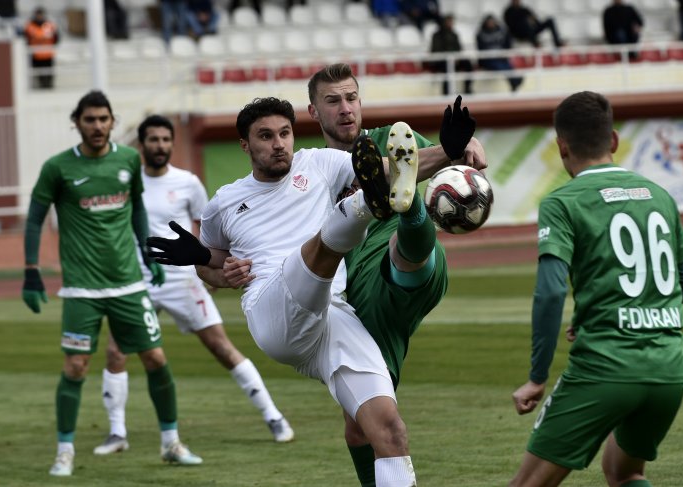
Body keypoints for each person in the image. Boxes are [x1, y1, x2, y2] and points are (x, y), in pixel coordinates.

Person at [147, 96, 475, 486]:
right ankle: (370, 206)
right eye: (265, 136)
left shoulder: (319, 163)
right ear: (245, 145)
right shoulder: (225, 202)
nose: (278, 143)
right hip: (272, 309)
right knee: (323, 244)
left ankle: (369, 204)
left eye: (284, 133)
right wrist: (210, 265)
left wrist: (451, 151)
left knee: (388, 430)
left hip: (332, 316)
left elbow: (395, 169)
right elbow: (213, 266)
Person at [306, 62, 485, 486]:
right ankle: (397, 195)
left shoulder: (392, 138)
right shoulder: (310, 170)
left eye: (351, 98)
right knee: (361, 424)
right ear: (314, 112)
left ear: (361, 101)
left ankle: (407, 208)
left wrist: (465, 145)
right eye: (332, 101)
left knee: (403, 250)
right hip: (362, 300)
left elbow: (464, 155)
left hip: (404, 265)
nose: (345, 108)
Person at [508, 90, 683, 487]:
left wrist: (537, 377)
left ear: (561, 147)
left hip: (605, 367)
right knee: (624, 472)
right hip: (668, 370)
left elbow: (550, 292)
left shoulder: (562, 202)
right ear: (613, 141)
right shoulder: (660, 196)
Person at [22, 91, 202, 477]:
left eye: (104, 119)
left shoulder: (127, 160)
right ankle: (65, 451)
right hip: (82, 289)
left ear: (112, 121)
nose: (98, 126)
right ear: (77, 122)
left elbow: (136, 208)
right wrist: (31, 269)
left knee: (155, 358)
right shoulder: (57, 168)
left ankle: (171, 442)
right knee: (75, 365)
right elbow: (35, 218)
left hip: (128, 285)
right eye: (90, 119)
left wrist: (147, 253)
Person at [92, 114, 294, 457]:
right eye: (153, 140)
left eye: (166, 139)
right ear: (142, 145)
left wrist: (209, 271)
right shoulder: (127, 183)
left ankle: (273, 416)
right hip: (138, 280)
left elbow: (208, 232)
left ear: (172, 143)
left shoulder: (187, 182)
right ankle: (116, 432)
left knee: (221, 347)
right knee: (115, 351)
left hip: (182, 280)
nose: (160, 146)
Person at [476, 14, 524, 92]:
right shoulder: (481, 34)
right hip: (488, 60)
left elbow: (508, 42)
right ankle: (515, 80)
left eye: (492, 22)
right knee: (500, 65)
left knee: (507, 65)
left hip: (500, 57)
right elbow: (480, 50)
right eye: (489, 22)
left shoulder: (501, 31)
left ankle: (514, 81)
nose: (491, 24)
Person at [429, 14, 474, 96]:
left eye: (452, 22)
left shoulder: (454, 34)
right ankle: (446, 92)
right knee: (447, 68)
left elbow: (459, 48)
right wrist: (450, 57)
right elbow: (435, 50)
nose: (451, 23)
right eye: (449, 21)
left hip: (455, 60)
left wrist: (457, 57)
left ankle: (467, 88)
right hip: (441, 61)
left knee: (468, 64)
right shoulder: (437, 35)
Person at [23, 7, 59, 89]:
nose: (39, 16)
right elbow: (26, 39)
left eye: (41, 14)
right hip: (35, 55)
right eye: (38, 15)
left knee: (49, 73)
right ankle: (40, 86)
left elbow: (56, 38)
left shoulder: (49, 25)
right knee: (37, 73)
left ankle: (49, 86)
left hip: (48, 54)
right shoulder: (30, 26)